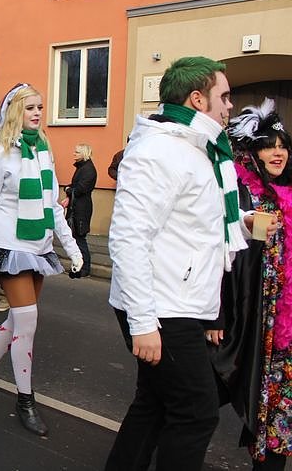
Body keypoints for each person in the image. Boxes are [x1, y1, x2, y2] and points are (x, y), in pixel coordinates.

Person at [105, 56, 256, 470]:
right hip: (163, 307)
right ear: (196, 99)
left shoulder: (197, 151)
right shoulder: (160, 151)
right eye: (223, 97)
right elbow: (129, 237)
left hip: (179, 303)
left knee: (153, 404)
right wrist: (143, 323)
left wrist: (241, 225)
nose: (229, 107)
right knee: (196, 411)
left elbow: (195, 229)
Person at [0, 83, 82, 437]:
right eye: (29, 108)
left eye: (40, 107)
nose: (37, 113)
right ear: (13, 111)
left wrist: (71, 248)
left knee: (17, 321)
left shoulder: (43, 151)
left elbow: (52, 206)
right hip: (9, 245)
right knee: (28, 323)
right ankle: (26, 400)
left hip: (38, 247)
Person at [211, 99, 291, 471]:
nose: (278, 152)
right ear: (252, 151)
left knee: (280, 411)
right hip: (255, 317)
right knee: (210, 391)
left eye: (282, 145)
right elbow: (227, 258)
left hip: (284, 325)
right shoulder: (245, 194)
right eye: (268, 145)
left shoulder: (288, 193)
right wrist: (219, 315)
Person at [64, 143, 97, 278]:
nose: (74, 154)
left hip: (81, 209)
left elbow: (80, 189)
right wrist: (69, 190)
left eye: (77, 152)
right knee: (76, 237)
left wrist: (68, 190)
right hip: (77, 207)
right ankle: (79, 265)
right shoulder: (82, 168)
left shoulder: (88, 169)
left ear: (84, 153)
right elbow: (74, 186)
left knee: (80, 237)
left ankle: (85, 267)